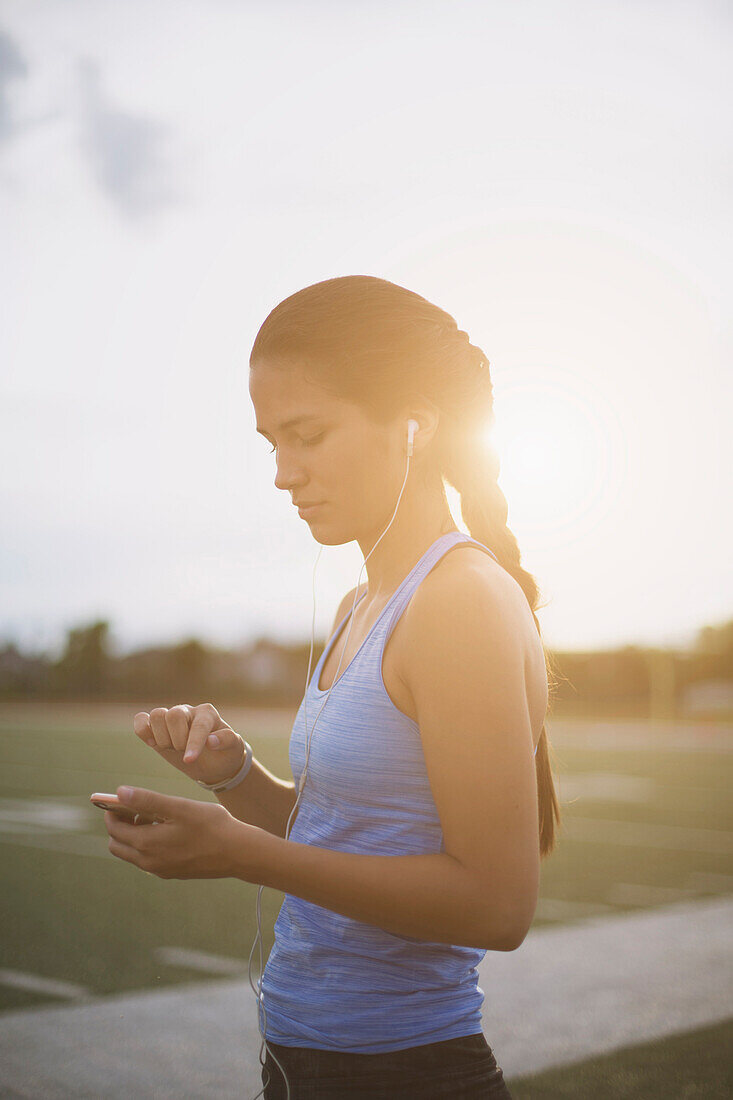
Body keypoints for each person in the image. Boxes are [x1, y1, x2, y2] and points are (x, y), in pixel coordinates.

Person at [235, 275, 561, 1098]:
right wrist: (232, 778)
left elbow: (495, 905)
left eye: (305, 434)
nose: (282, 474)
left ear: (415, 426)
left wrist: (241, 855)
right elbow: (347, 836)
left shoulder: (457, 601)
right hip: (303, 1062)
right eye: (271, 441)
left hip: (405, 1076)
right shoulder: (361, 603)